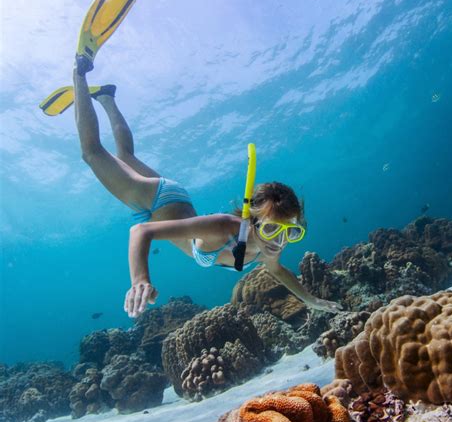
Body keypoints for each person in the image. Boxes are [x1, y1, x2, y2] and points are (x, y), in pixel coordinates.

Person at [72, 65, 343, 319]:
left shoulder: (269, 245)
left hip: (176, 204)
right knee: (92, 153)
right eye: (273, 230)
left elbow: (277, 271)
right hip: (158, 201)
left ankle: (107, 97)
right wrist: (140, 280)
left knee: (125, 156)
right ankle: (80, 70)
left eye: (291, 232)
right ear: (252, 221)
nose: (280, 242)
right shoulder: (224, 228)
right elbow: (141, 231)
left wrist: (311, 300)